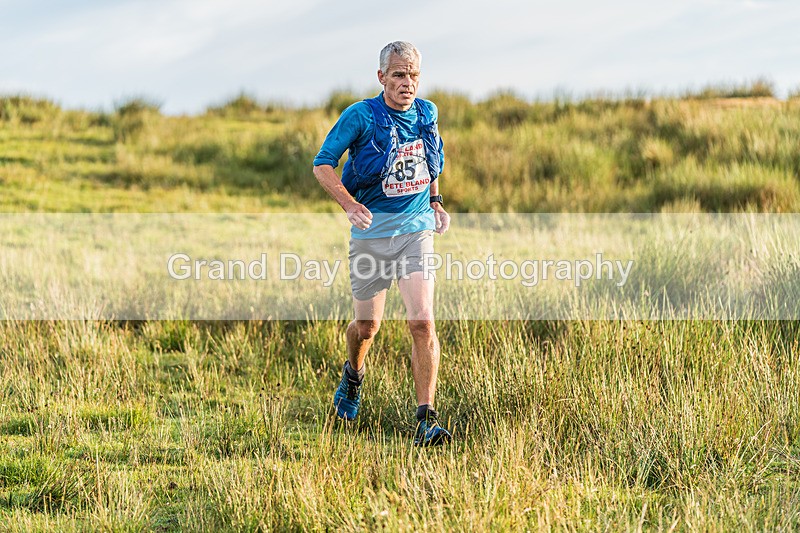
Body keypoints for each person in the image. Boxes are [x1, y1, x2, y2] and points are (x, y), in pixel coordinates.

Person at [312, 41, 452, 446]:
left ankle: (425, 420)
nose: (408, 83)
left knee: (422, 321)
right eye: (399, 75)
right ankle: (353, 378)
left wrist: (436, 201)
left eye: (414, 76)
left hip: (416, 231)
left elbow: (429, 159)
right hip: (371, 236)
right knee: (367, 327)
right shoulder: (360, 116)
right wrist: (350, 205)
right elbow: (322, 165)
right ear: (381, 78)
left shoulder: (428, 112)